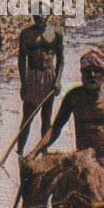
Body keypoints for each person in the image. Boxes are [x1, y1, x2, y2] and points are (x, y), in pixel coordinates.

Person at [26, 48, 104, 192]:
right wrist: (34, 152)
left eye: (97, 71)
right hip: (83, 162)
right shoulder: (73, 97)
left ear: (103, 74)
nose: (92, 75)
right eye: (87, 71)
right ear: (81, 73)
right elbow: (56, 128)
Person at [17, 8, 64, 154]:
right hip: (32, 76)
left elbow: (61, 60)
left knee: (46, 117)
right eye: (37, 14)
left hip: (49, 76)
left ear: (48, 14)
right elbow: (21, 60)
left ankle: (44, 152)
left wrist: (58, 80)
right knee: (27, 118)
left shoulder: (56, 33)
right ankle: (19, 152)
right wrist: (24, 84)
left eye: (43, 13)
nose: (40, 17)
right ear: (33, 15)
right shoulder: (26, 34)